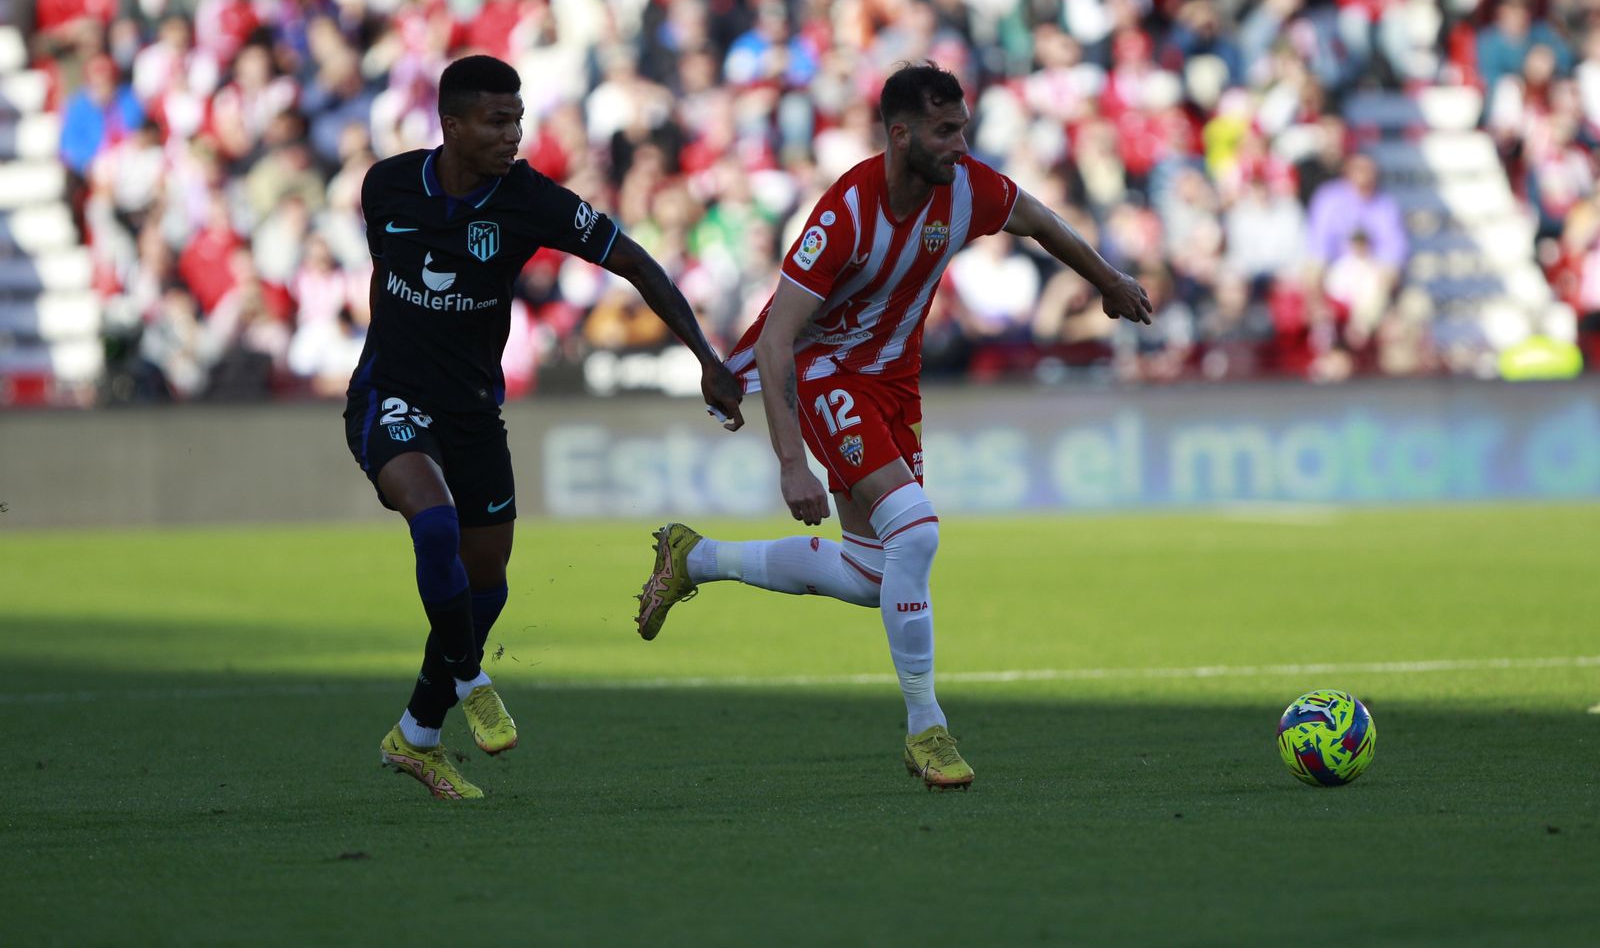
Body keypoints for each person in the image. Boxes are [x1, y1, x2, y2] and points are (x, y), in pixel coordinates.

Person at [634, 62, 1151, 789]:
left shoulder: (966, 187)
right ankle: (926, 728)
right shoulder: (845, 214)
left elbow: (1040, 220)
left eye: (963, 128)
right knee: (917, 530)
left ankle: (696, 558)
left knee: (872, 572)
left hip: (895, 385)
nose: (960, 144)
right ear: (900, 134)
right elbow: (779, 339)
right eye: (945, 131)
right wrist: (792, 461)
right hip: (827, 372)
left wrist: (1110, 281)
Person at [347, 54, 744, 800]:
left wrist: (707, 357)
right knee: (435, 525)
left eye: (519, 120)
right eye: (496, 121)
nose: (513, 135)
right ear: (451, 124)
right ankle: (472, 679)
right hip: (391, 396)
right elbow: (384, 272)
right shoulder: (386, 185)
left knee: (487, 586)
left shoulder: (530, 199)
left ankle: (417, 736)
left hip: (473, 411)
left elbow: (636, 262)